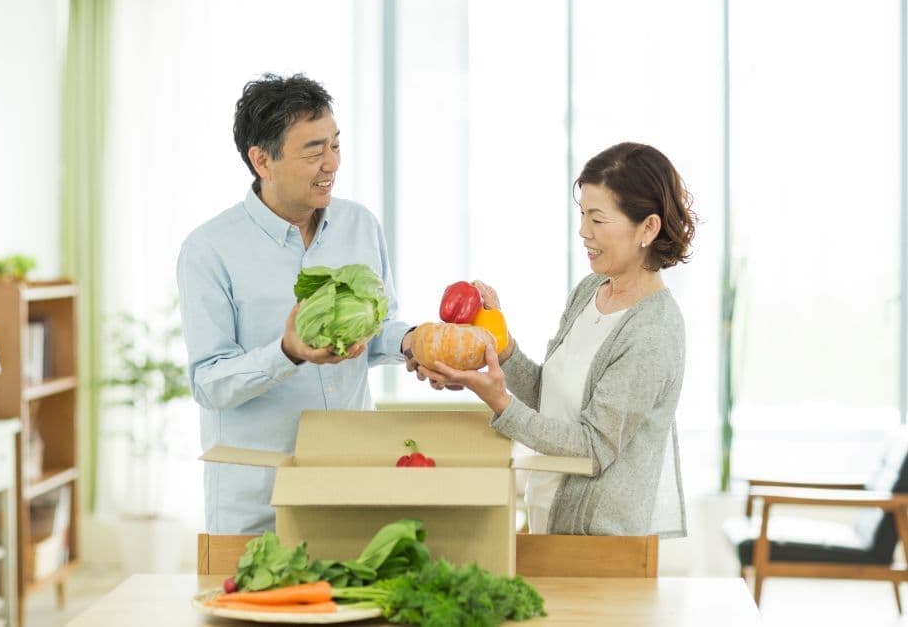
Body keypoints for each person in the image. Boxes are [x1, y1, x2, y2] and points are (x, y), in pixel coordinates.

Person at [177, 73, 416, 534]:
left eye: (336, 145)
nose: (332, 163)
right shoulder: (209, 250)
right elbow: (209, 382)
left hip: (350, 486)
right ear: (262, 160)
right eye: (313, 151)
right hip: (259, 504)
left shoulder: (360, 225)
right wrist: (287, 353)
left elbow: (376, 328)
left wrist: (411, 341)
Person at [419, 142, 695, 536]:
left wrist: (501, 404)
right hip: (549, 525)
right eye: (582, 215)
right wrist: (502, 347)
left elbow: (593, 447)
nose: (583, 231)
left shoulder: (654, 330)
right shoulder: (590, 291)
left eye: (597, 219)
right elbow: (551, 399)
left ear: (648, 228)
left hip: (600, 545)